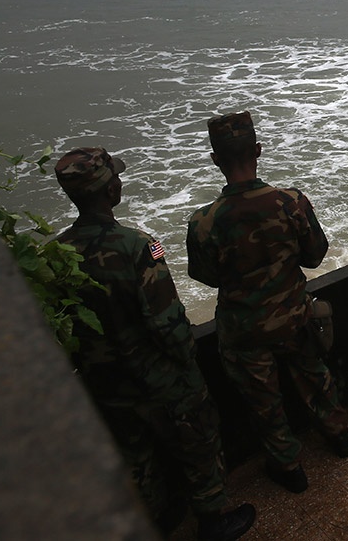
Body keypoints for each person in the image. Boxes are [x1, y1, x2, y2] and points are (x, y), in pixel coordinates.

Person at [53, 147, 254, 541]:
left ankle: (157, 519)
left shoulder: (57, 254)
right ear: (111, 190)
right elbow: (166, 320)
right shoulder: (135, 246)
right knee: (198, 441)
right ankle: (214, 520)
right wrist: (187, 362)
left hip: (105, 382)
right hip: (159, 378)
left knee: (135, 457)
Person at [187, 112, 348, 495]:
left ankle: (290, 468)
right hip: (295, 316)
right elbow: (315, 256)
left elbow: (206, 276)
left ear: (215, 160)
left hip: (243, 330)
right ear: (258, 151)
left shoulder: (204, 222)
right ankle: (339, 436)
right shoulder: (291, 201)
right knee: (316, 378)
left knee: (264, 402)